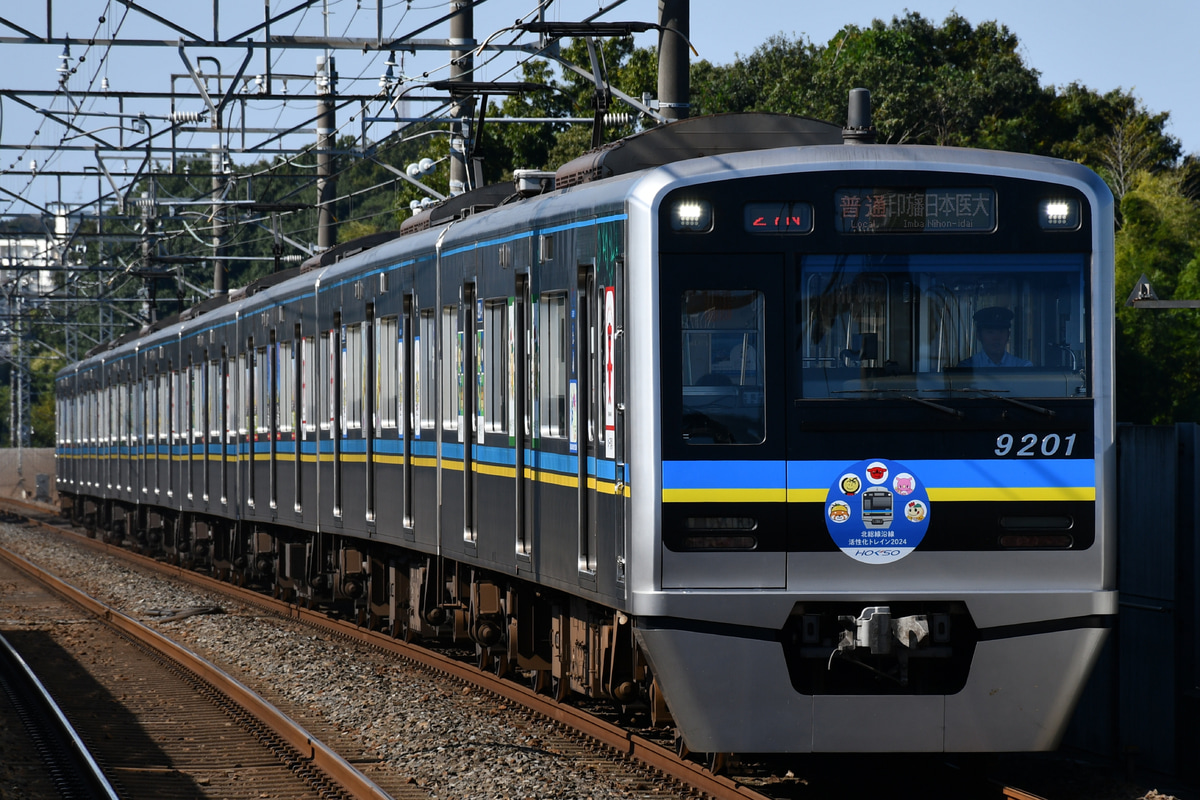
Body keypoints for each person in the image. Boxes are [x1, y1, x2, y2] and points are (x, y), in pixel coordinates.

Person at [958, 306, 1033, 368]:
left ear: (1008, 335)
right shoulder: (967, 367)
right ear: (978, 335)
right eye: (990, 332)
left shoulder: (1022, 367)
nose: (996, 337)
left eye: (1001, 332)